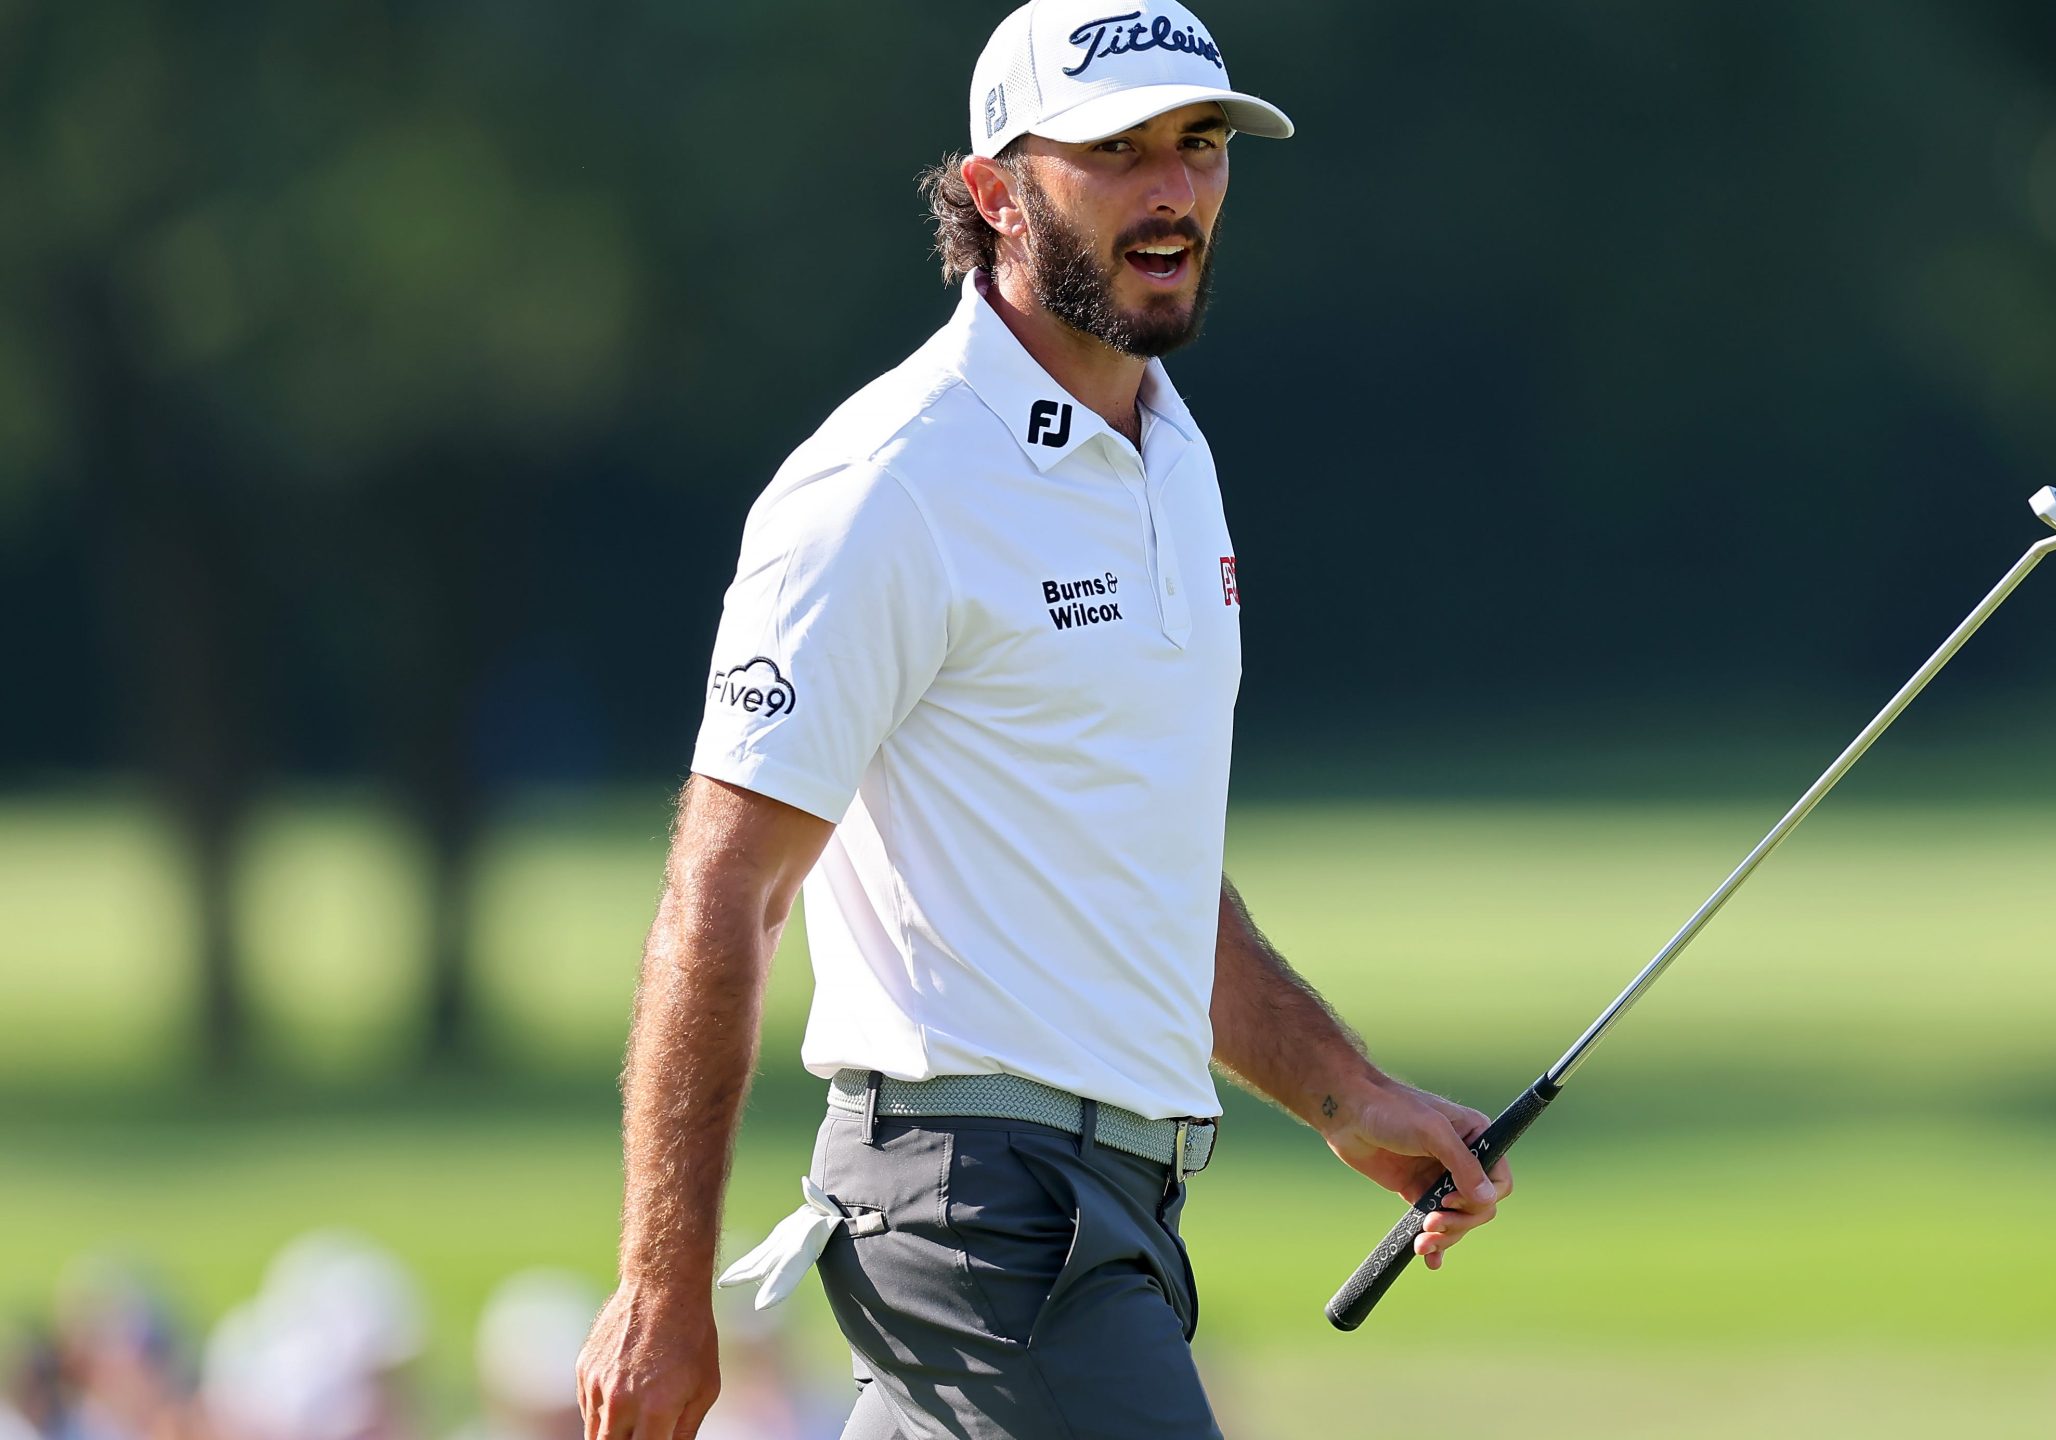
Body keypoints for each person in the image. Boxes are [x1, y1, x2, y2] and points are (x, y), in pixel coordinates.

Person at [574, 3, 1515, 1438]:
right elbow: (728, 887)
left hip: (1110, 1203)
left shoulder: (1172, 451)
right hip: (980, 1215)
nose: (1173, 192)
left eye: (1199, 148)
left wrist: (1346, 1093)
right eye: (1117, 152)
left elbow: (1129, 870)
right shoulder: (888, 484)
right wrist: (661, 1284)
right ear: (996, 193)